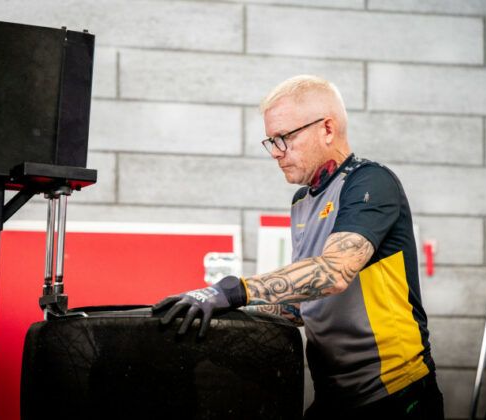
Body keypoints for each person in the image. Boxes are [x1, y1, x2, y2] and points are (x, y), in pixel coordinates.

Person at [153, 75, 444, 419]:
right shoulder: (302, 201)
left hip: (396, 392)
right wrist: (223, 317)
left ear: (327, 129)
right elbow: (303, 305)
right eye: (271, 141)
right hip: (333, 394)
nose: (276, 153)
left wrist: (233, 290)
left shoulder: (370, 182)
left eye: (285, 138)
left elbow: (334, 272)